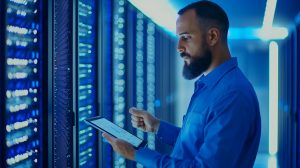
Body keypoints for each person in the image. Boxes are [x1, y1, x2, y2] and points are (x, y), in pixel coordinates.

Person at [102, 1, 261, 167]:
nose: (179, 47)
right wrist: (157, 126)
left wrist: (136, 154)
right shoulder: (209, 87)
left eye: (186, 37)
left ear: (213, 36)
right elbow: (197, 142)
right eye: (179, 38)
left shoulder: (232, 95)